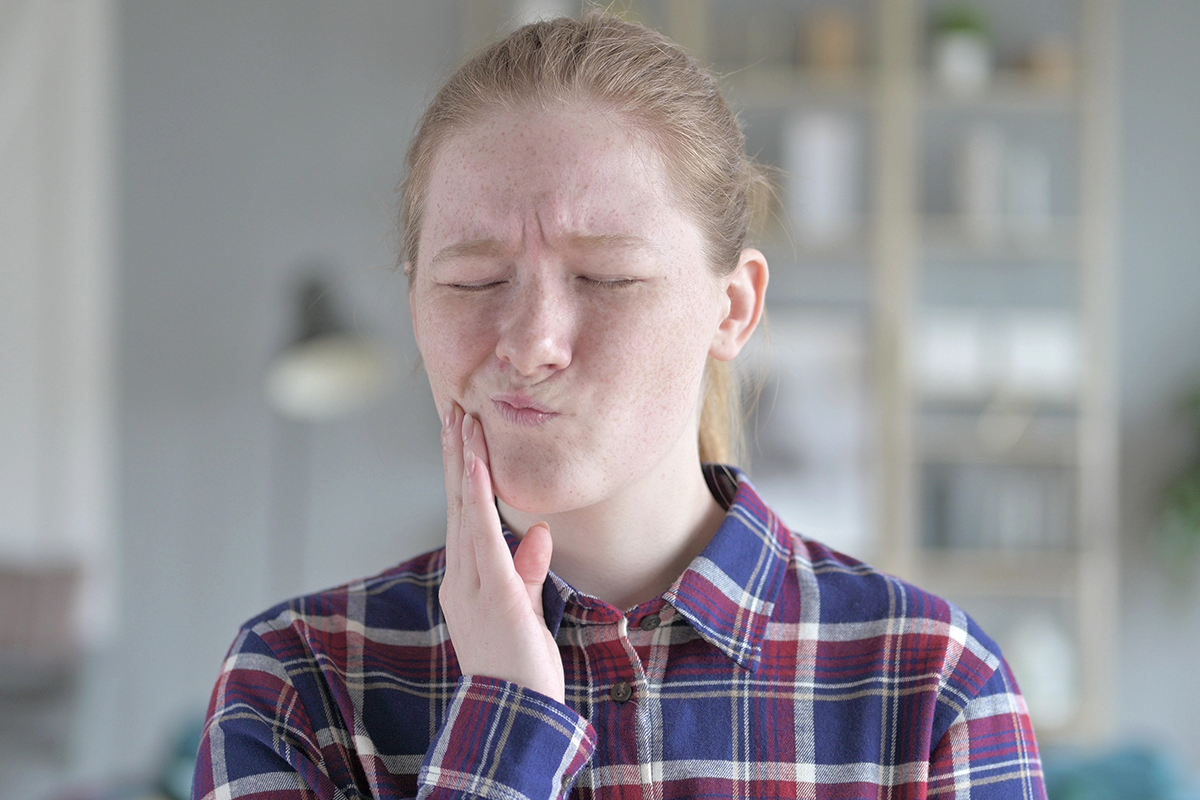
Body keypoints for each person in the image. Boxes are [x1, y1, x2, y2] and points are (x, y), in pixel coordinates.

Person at [193, 12, 1045, 800]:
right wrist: (507, 714)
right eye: (472, 281)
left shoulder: (937, 687)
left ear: (734, 307)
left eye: (605, 279)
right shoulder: (295, 682)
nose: (530, 343)